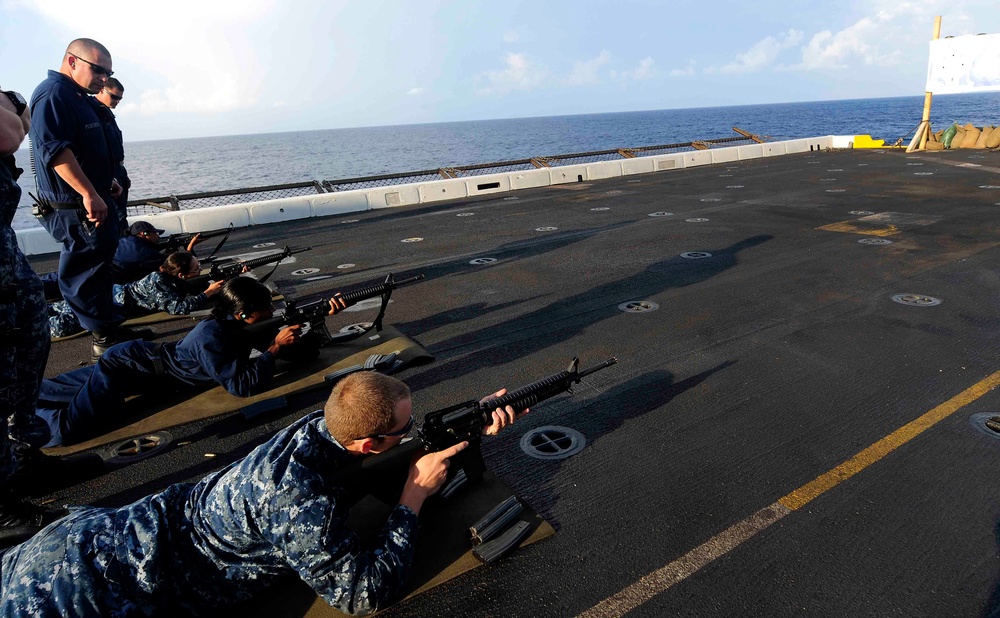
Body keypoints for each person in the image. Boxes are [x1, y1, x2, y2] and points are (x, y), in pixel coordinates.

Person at [0, 370, 526, 615]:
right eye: (403, 431)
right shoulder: (298, 503)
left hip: (93, 531)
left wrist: (467, 423)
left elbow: (381, 447)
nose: (409, 436)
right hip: (86, 587)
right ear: (368, 443)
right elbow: (361, 594)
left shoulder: (319, 427)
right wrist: (413, 497)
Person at [35, 277, 341, 447]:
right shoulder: (212, 337)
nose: (272, 314)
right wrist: (274, 348)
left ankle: (18, 405)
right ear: (245, 314)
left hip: (141, 364)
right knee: (68, 429)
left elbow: (302, 356)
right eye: (266, 310)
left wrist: (316, 322)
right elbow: (242, 386)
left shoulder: (240, 327)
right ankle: (23, 430)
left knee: (43, 391)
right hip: (126, 367)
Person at [0, 83, 102, 528]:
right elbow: (9, 133)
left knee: (24, 370)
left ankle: (22, 461)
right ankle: (2, 508)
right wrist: (14, 106)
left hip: (9, 270)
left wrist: (13, 105)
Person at [28, 38, 142, 360]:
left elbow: (89, 150)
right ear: (72, 61)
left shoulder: (79, 97)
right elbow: (57, 152)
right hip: (76, 207)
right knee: (84, 273)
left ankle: (111, 327)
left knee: (101, 268)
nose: (104, 79)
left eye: (109, 73)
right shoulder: (53, 94)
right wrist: (90, 193)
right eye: (98, 70)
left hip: (94, 199)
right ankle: (103, 342)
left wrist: (107, 184)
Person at [48, 251, 225, 339]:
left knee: (56, 308)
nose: (200, 270)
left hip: (109, 296)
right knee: (59, 326)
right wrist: (208, 293)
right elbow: (178, 308)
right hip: (107, 304)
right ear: (181, 275)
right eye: (197, 268)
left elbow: (190, 287)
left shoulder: (169, 278)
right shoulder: (159, 282)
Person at [95, 77, 129, 235]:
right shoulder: (93, 114)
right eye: (114, 97)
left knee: (121, 216)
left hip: (118, 170)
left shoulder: (107, 114)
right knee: (116, 217)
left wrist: (122, 175)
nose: (117, 101)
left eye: (119, 99)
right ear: (102, 89)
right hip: (109, 173)